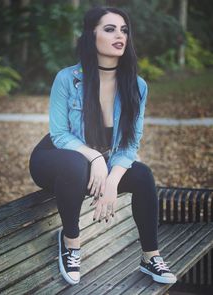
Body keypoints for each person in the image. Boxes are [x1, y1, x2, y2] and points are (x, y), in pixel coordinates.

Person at [29, 6, 177, 286]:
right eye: (110, 29)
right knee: (75, 164)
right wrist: (96, 158)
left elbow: (130, 143)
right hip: (56, 158)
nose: (119, 35)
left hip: (97, 163)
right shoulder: (67, 79)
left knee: (143, 175)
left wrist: (112, 180)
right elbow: (59, 135)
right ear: (90, 35)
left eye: (124, 30)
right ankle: (71, 242)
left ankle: (150, 256)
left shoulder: (137, 86)